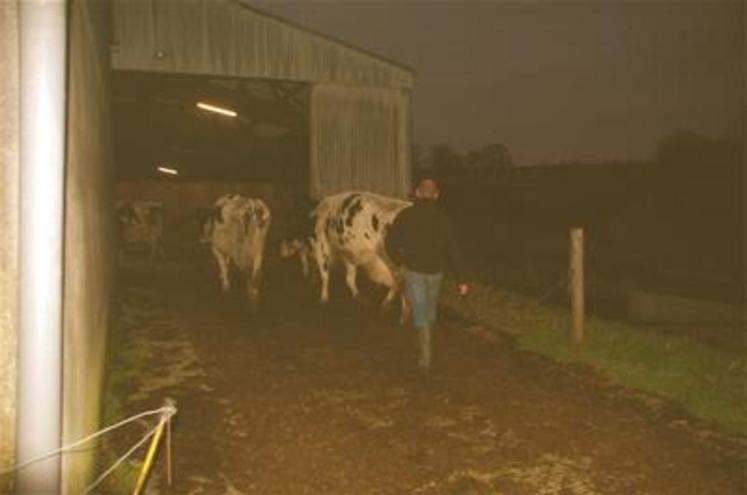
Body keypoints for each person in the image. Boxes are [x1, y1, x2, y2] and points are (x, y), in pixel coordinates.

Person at [386, 178, 469, 371]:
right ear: (436, 195)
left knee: (420, 312)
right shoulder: (444, 219)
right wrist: (462, 279)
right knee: (429, 310)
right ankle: (423, 345)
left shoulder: (405, 216)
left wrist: (399, 263)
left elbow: (390, 243)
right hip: (436, 274)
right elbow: (454, 251)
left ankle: (425, 356)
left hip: (414, 271)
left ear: (417, 193)